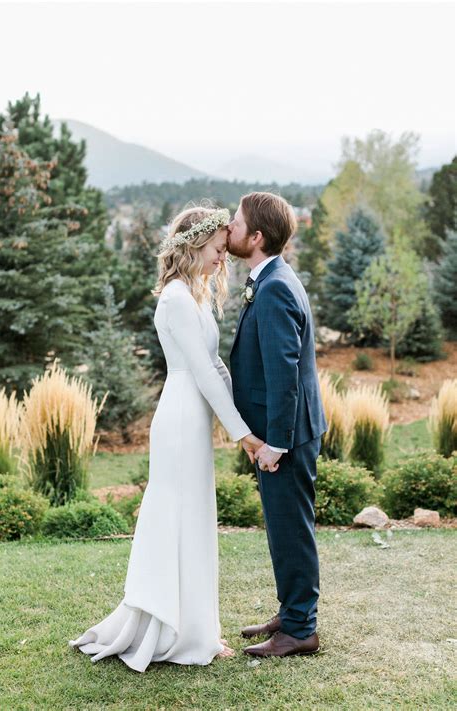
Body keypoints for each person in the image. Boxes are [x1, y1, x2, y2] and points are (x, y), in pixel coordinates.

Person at [68, 206, 263, 672]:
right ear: (194, 245)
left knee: (195, 520)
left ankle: (196, 628)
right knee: (178, 518)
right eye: (217, 250)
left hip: (194, 416)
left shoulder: (193, 295)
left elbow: (216, 367)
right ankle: (173, 631)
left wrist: (242, 417)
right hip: (179, 417)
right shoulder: (175, 298)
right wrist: (242, 433)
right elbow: (199, 370)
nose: (222, 259)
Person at [227, 191, 327, 658]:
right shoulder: (271, 279)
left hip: (284, 434)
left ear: (257, 236)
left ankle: (301, 628)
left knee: (291, 529)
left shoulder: (276, 287)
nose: (230, 227)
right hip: (278, 429)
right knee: (283, 527)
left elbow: (285, 374)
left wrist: (275, 444)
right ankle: (291, 613)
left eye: (236, 221)